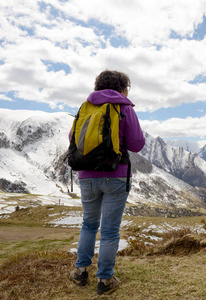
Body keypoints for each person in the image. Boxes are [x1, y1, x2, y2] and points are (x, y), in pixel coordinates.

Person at [69, 70, 145, 295]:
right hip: (116, 175)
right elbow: (137, 143)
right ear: (122, 88)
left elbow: (74, 139)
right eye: (127, 88)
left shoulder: (86, 107)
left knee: (89, 224)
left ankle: (81, 272)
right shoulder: (124, 107)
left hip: (87, 176)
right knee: (110, 231)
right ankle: (105, 281)